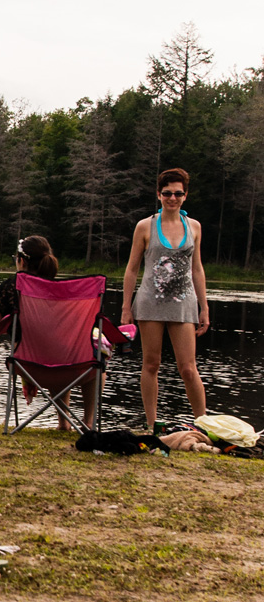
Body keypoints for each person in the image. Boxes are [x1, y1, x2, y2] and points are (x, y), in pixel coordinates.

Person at [121, 167, 209, 432]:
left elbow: (197, 269)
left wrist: (204, 307)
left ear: (185, 196)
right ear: (159, 194)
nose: (172, 198)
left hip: (184, 305)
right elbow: (132, 268)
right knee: (151, 364)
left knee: (188, 368)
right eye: (167, 193)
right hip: (150, 303)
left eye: (178, 193)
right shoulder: (145, 226)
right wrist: (126, 307)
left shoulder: (194, 227)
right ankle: (151, 425)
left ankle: (204, 426)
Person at [0, 234, 98, 431]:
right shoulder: (64, 291)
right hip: (75, 366)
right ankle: (88, 423)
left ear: (21, 261)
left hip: (27, 366)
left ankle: (64, 423)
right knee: (97, 356)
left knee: (51, 351)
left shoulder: (8, 288)